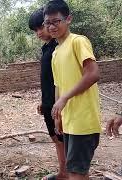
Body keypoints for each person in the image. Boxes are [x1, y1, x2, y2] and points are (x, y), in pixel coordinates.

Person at [44, 0, 102, 179]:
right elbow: (58, 86)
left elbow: (93, 74)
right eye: (48, 23)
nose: (52, 27)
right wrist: (57, 116)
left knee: (76, 173)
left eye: (56, 21)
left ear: (68, 19)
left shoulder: (78, 41)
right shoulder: (55, 52)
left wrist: (64, 98)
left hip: (83, 121)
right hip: (70, 121)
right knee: (76, 171)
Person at [29, 7, 67, 180]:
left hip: (59, 104)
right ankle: (63, 172)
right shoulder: (47, 48)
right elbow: (48, 80)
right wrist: (43, 102)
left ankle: (70, 173)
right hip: (49, 103)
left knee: (64, 139)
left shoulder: (59, 48)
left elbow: (63, 80)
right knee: (56, 139)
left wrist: (59, 104)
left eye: (40, 27)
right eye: (35, 30)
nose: (38, 33)